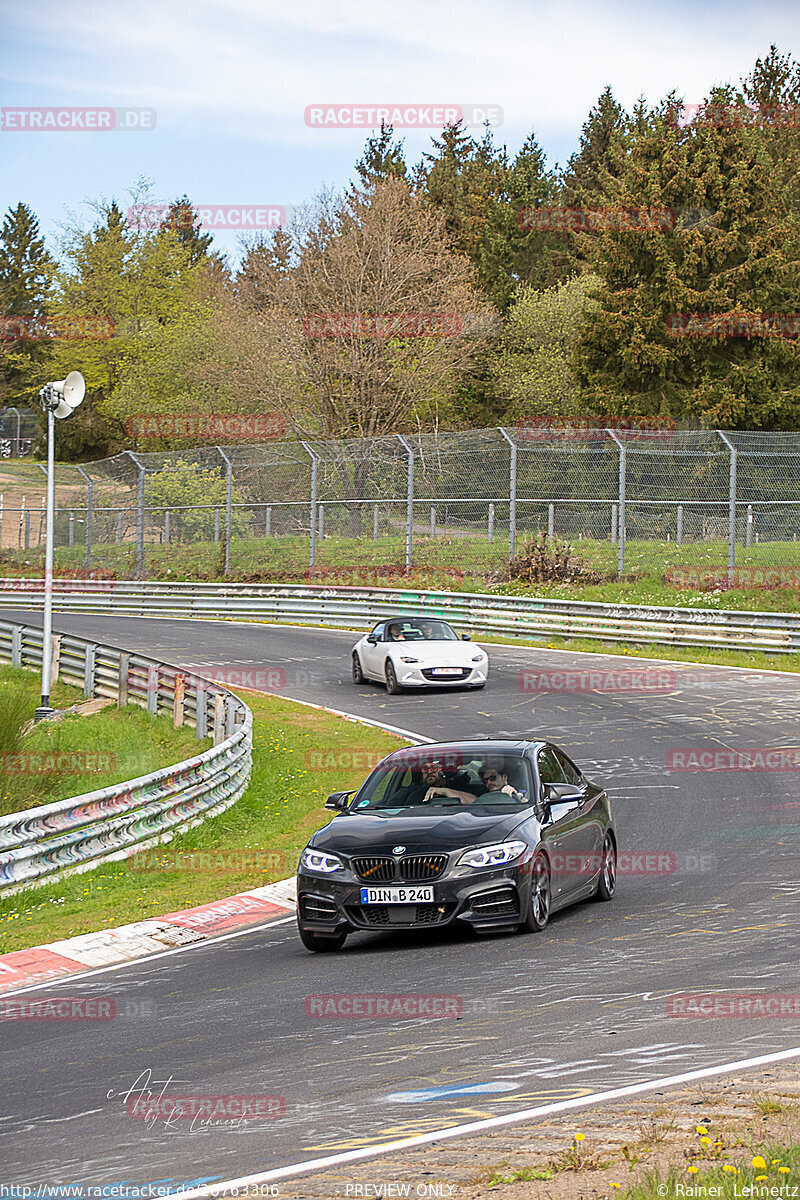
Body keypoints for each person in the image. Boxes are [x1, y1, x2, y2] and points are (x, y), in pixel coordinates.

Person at [423, 758, 528, 805]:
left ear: (504, 777)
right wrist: (443, 791)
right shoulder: (483, 794)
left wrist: (515, 793)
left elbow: (528, 805)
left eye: (493, 778)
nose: (489, 783)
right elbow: (474, 801)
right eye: (485, 780)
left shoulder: (522, 791)